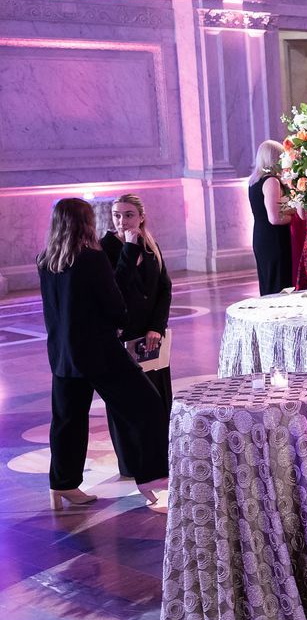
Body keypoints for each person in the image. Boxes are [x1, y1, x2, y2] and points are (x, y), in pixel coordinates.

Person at [38, 198, 169, 513]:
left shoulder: (45, 259)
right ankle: (152, 483)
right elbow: (116, 308)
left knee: (67, 420)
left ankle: (63, 483)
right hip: (99, 352)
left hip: (63, 354)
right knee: (148, 406)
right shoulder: (91, 259)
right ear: (86, 222)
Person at [101, 194, 173, 478]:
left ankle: (161, 456)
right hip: (123, 332)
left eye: (128, 215)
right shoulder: (105, 248)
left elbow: (164, 288)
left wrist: (157, 326)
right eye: (117, 215)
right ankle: (131, 461)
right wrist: (128, 249)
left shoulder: (151, 244)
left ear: (141, 216)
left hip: (152, 333)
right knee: (127, 399)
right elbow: (114, 288)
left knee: (157, 395)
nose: (122, 221)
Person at [248, 140, 293, 295]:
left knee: (269, 283)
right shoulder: (271, 181)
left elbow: (272, 208)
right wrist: (298, 220)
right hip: (274, 239)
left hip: (261, 236)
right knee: (279, 285)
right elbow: (274, 218)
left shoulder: (254, 180)